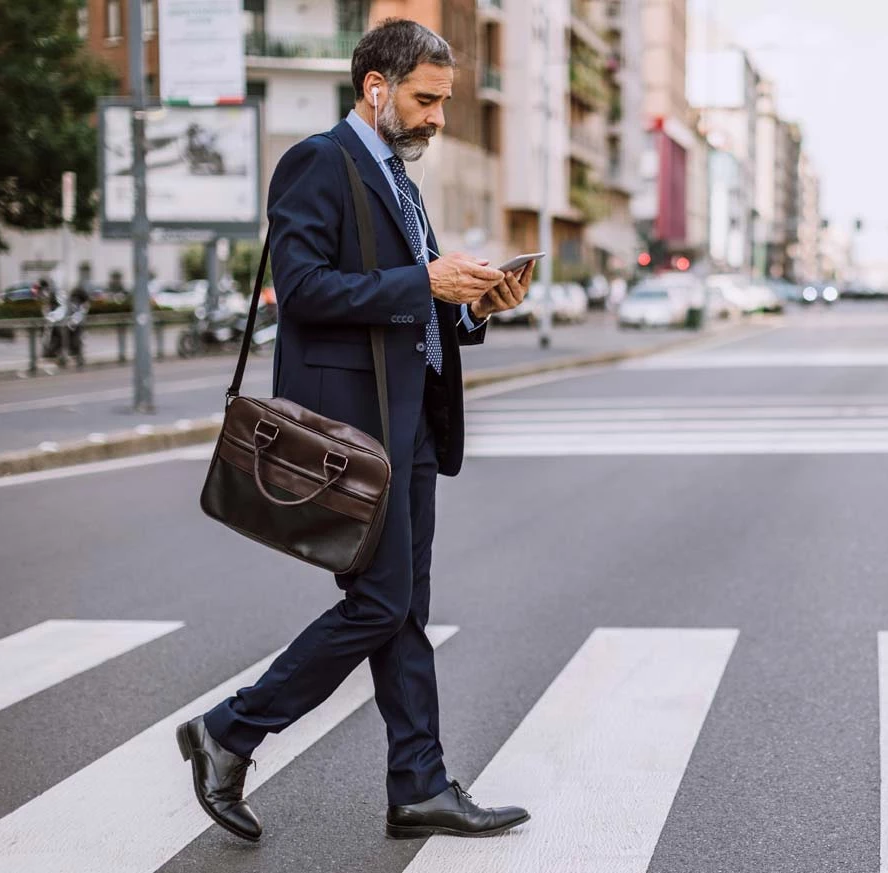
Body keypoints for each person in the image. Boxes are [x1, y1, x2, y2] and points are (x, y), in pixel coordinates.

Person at [175, 18, 534, 843]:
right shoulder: (317, 163)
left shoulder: (402, 185)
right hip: (350, 434)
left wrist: (473, 305)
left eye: (442, 101)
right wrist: (425, 279)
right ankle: (231, 729)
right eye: (425, 99)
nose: (438, 118)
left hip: (407, 427)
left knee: (403, 609)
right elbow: (301, 289)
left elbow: (416, 298)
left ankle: (418, 786)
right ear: (375, 87)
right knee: (379, 604)